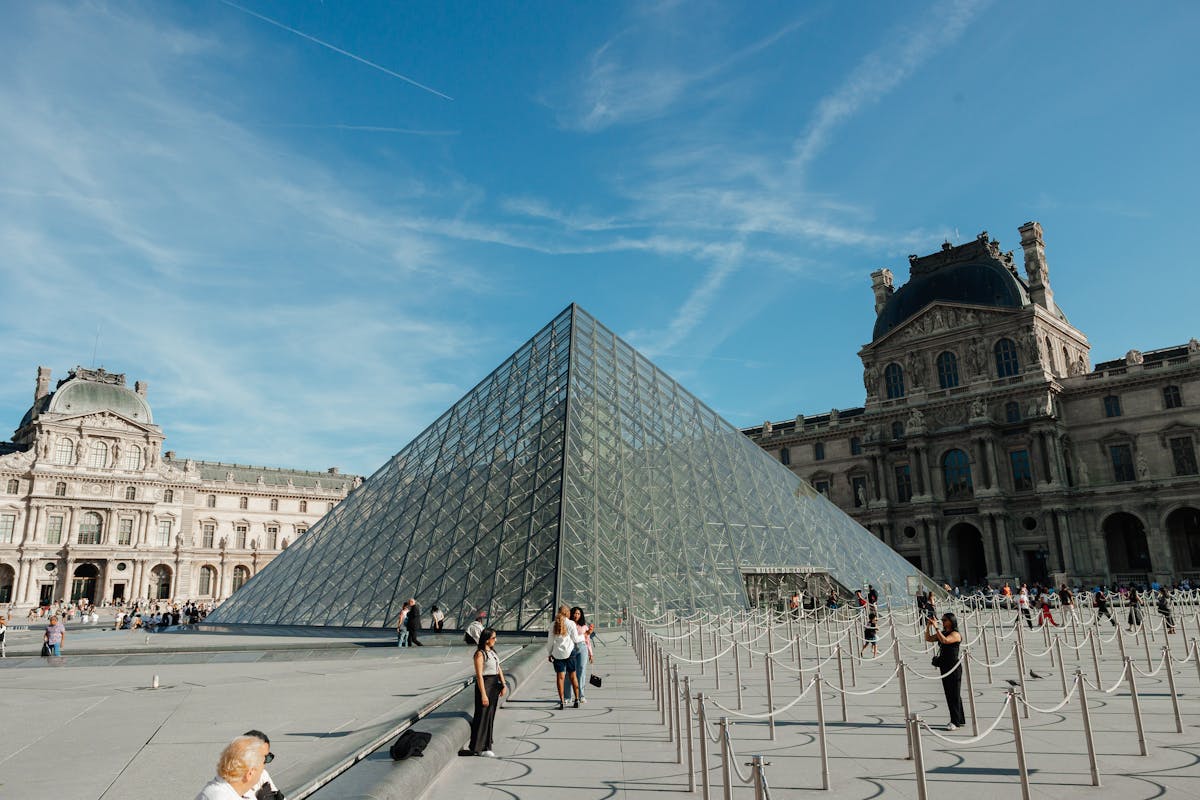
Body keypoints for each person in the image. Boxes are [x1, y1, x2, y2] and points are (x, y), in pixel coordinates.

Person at [467, 627, 507, 757]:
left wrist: (503, 684)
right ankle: (479, 747)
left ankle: (487, 744)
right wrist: (483, 694)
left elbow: (498, 668)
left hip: (494, 684)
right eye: (494, 638)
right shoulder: (480, 654)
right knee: (482, 715)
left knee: (490, 715)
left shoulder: (492, 652)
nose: (496, 640)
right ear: (486, 640)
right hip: (486, 685)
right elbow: (479, 676)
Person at [194, 735, 270, 800]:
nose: (263, 769)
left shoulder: (221, 789)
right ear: (250, 773)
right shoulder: (221, 797)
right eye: (264, 763)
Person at [924, 612, 965, 732]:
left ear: (951, 621)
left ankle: (955, 722)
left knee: (953, 694)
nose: (942, 622)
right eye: (942, 620)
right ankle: (960, 719)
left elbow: (946, 641)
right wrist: (928, 627)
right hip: (944, 666)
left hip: (953, 667)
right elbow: (928, 639)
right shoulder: (943, 632)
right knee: (951, 693)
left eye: (945, 620)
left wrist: (936, 627)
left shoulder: (955, 634)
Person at [547, 605, 580, 709]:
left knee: (560, 678)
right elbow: (575, 639)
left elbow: (550, 642)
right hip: (570, 652)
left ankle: (562, 701)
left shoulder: (553, 624)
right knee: (573, 676)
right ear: (567, 613)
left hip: (557, 654)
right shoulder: (571, 624)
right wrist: (585, 635)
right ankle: (577, 699)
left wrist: (549, 653)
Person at [243, 730, 284, 799]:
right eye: (260, 757)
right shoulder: (229, 786)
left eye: (267, 758)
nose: (263, 763)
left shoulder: (262, 774)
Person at [564, 607, 593, 704]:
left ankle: (581, 696)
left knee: (581, 671)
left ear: (581, 615)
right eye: (575, 613)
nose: (576, 615)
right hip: (570, 648)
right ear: (571, 614)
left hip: (582, 649)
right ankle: (568, 696)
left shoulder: (584, 626)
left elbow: (587, 640)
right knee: (569, 672)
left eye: (578, 614)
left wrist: (590, 653)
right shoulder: (568, 625)